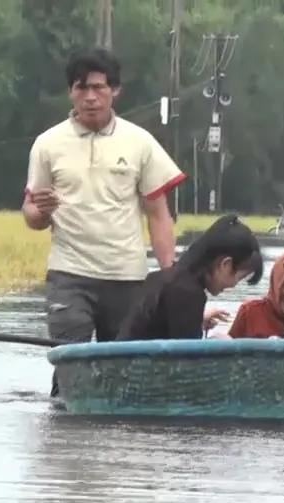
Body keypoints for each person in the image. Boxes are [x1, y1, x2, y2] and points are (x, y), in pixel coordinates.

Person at [22, 48, 185, 396]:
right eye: (81, 88)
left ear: (115, 91)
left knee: (119, 376)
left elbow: (158, 214)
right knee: (70, 370)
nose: (90, 97)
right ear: (71, 92)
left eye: (99, 88)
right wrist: (43, 210)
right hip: (69, 277)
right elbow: (31, 215)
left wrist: (170, 274)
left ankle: (114, 449)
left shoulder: (140, 143)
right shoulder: (48, 145)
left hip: (126, 278)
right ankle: (63, 441)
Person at [117, 214, 264, 340]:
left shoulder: (164, 278)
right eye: (239, 277)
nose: (233, 285)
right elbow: (186, 364)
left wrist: (196, 320)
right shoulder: (188, 294)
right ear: (225, 264)